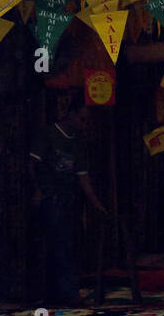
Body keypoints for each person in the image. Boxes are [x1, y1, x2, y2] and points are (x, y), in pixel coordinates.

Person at [28, 102, 111, 305]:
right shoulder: (48, 135)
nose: (84, 124)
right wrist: (37, 190)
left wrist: (96, 204)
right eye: (81, 119)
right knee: (54, 245)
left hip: (69, 200)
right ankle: (53, 293)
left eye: (87, 121)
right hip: (50, 198)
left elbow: (83, 178)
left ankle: (67, 293)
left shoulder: (78, 144)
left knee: (69, 245)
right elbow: (32, 164)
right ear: (70, 114)